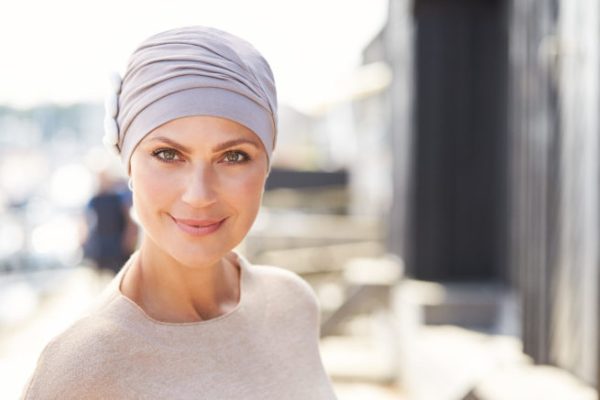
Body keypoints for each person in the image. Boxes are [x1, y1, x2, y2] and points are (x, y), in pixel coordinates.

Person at [21, 26, 338, 399]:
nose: (199, 194)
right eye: (168, 154)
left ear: (266, 165)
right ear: (127, 163)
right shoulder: (84, 368)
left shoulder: (292, 303)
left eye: (234, 156)